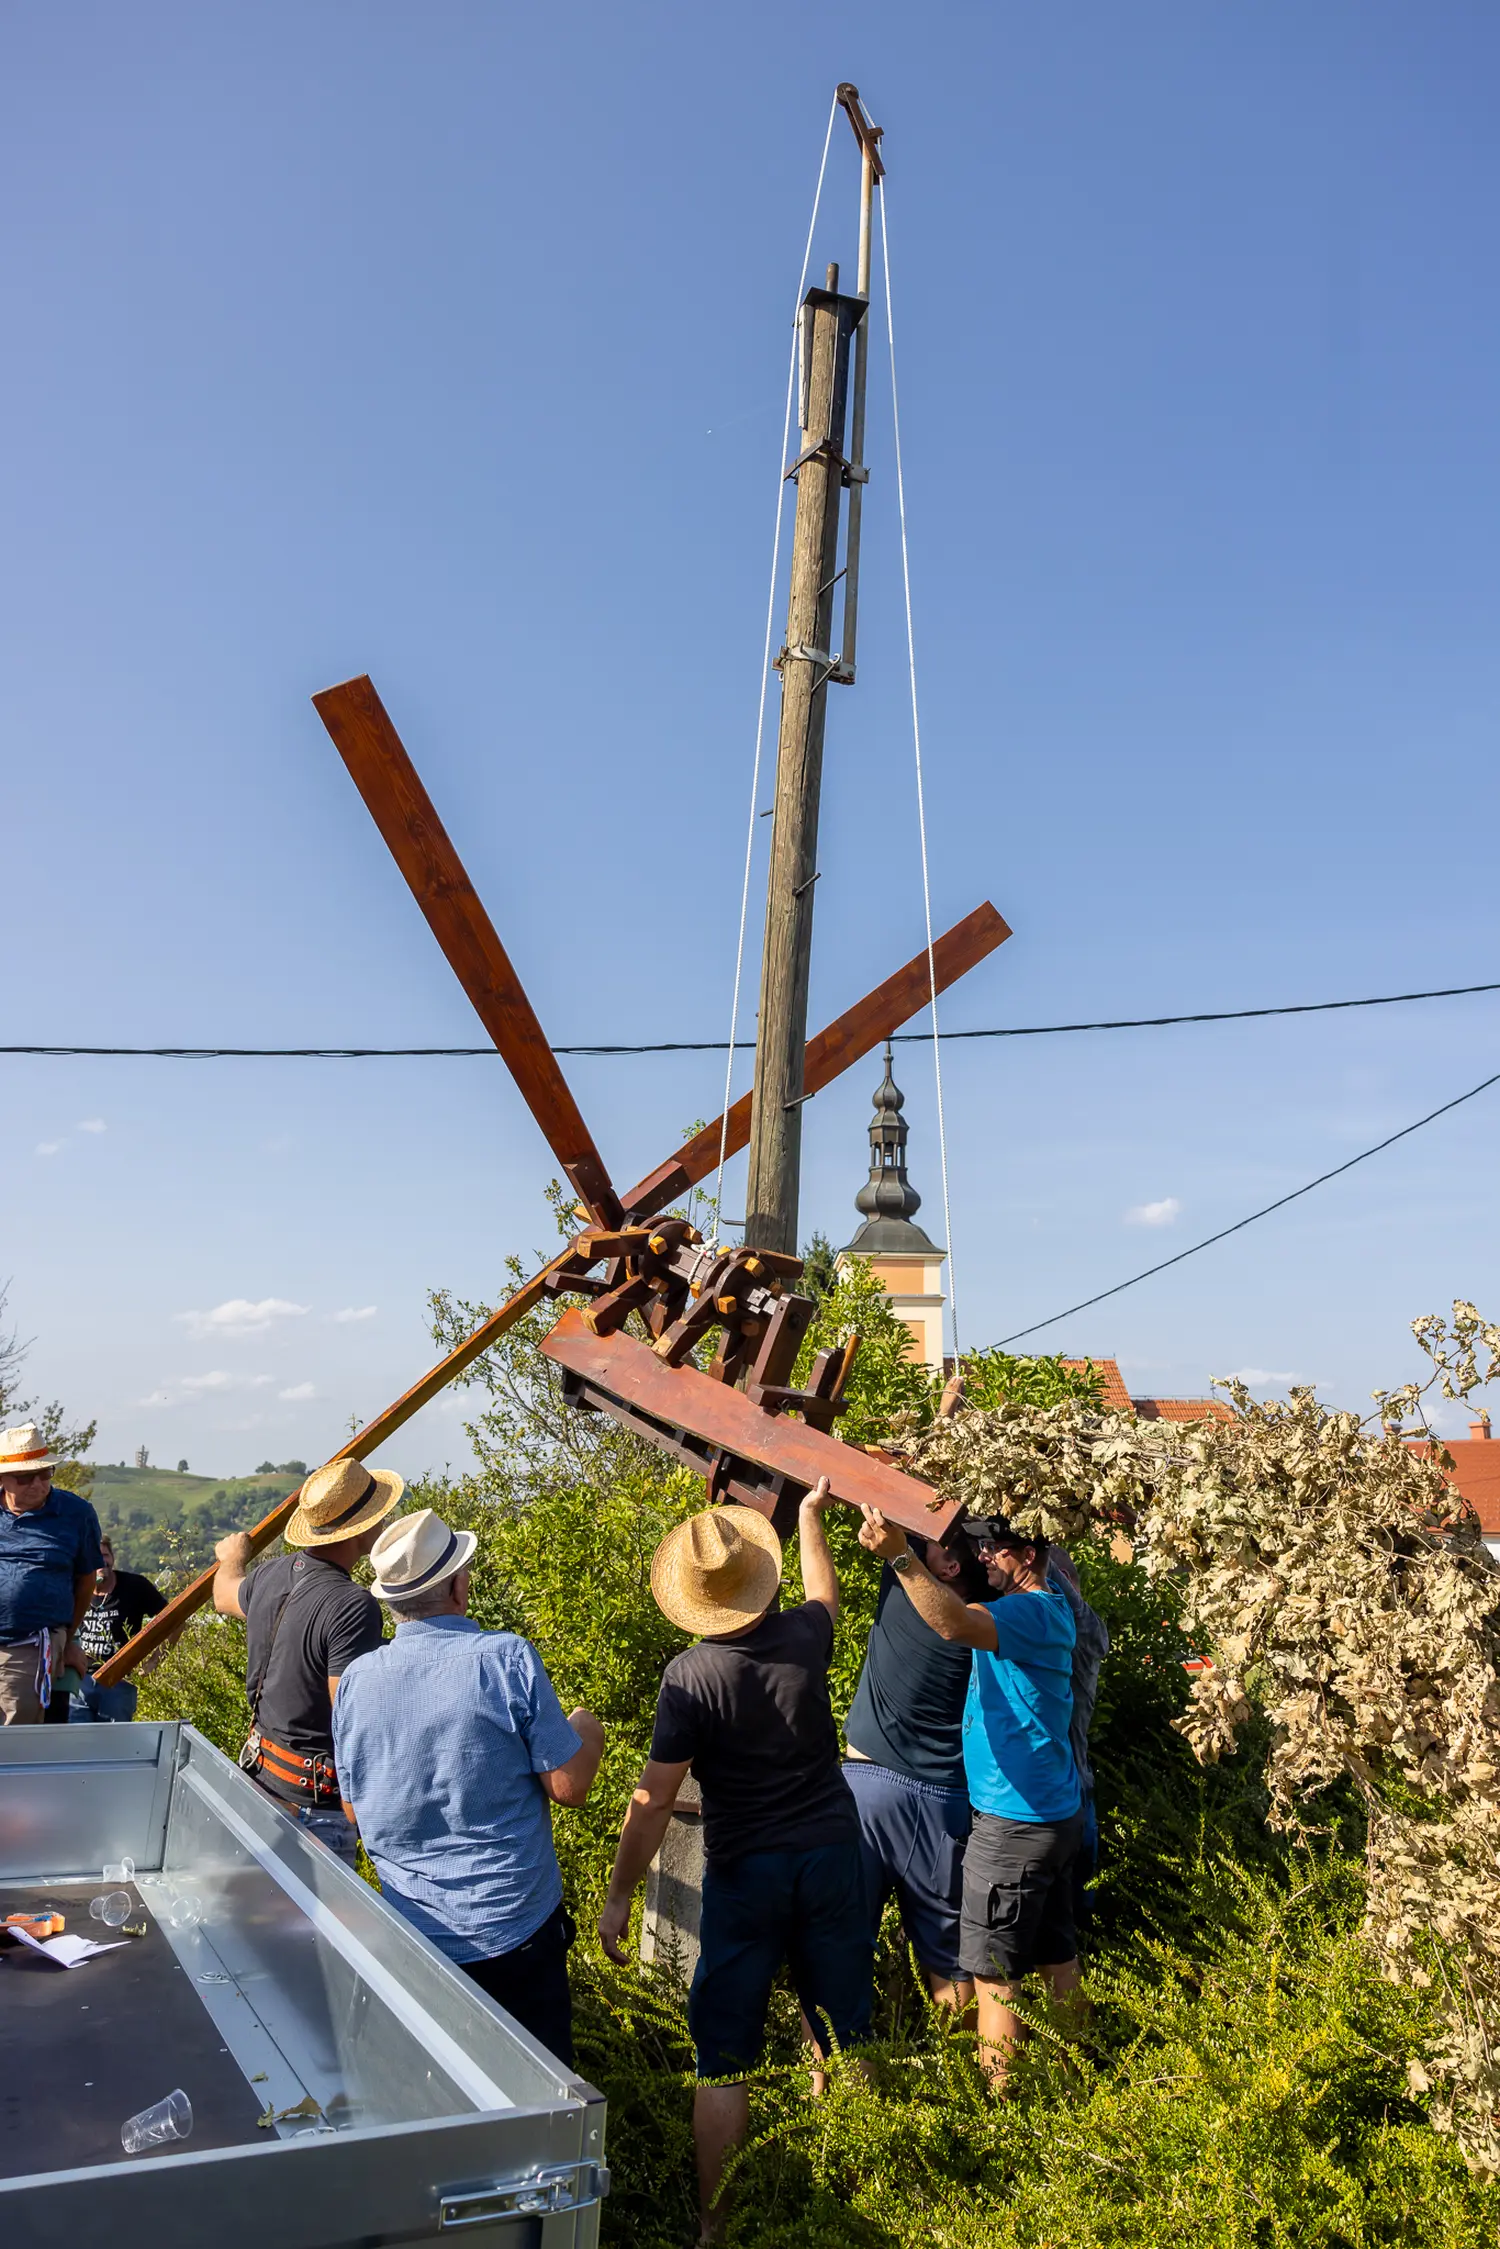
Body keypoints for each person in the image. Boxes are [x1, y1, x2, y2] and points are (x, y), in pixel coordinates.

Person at [598, 1479, 871, 2244]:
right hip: (828, 1854)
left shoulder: (689, 1677)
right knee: (847, 2027)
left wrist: (620, 1893)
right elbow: (826, 1592)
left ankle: (714, 2223)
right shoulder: (803, 1637)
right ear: (757, 1575)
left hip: (745, 1870)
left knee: (722, 2055)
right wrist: (813, 1515)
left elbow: (652, 1801)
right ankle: (864, 2181)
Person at [332, 1508, 604, 2066]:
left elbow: (354, 1810)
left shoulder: (357, 1680)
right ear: (458, 1586)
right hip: (515, 1926)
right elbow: (570, 1786)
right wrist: (586, 1729)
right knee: (541, 2092)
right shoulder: (504, 1659)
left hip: (415, 1935)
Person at [857, 1504, 1082, 2091]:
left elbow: (953, 1623)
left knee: (992, 1978)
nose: (981, 1557)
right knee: (1057, 1959)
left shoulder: (1030, 1612)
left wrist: (901, 1556)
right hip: (1055, 1816)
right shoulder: (1054, 1601)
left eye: (993, 1548)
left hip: (1011, 1827)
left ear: (1028, 1556)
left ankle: (997, 2119)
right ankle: (1077, 2086)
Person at [212, 1453, 403, 1864]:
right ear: (361, 1528)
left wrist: (232, 1558)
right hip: (314, 1809)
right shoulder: (354, 1606)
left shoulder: (272, 1575)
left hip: (261, 1778)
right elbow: (351, 1719)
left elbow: (224, 1595)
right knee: (317, 1928)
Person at [843, 1525, 989, 2012]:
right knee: (951, 1963)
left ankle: (832, 2087)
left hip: (866, 1794)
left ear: (948, 1567)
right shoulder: (984, 1627)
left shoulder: (905, 1585)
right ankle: (972, 2083)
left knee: (834, 1952)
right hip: (942, 1806)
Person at [0, 1422, 102, 1724]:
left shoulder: (75, 1514)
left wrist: (67, 1639)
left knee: (13, 1739)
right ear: (3, 1479)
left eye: (45, 1473)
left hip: (27, 1644)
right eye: (25, 1477)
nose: (37, 1483)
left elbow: (86, 1580)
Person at [71, 1537, 174, 1720]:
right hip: (79, 1682)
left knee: (114, 1743)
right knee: (75, 1742)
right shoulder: (73, 1588)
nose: (101, 1561)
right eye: (95, 1556)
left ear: (113, 1558)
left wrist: (155, 1661)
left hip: (118, 1683)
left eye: (105, 1555)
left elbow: (175, 1621)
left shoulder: (134, 1587)